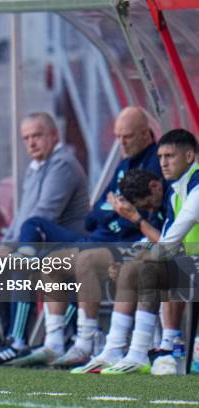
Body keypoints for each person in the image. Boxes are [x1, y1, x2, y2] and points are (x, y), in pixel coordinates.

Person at [12, 106, 165, 367]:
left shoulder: (154, 163)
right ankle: (54, 343)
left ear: (144, 133)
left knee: (85, 261)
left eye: (126, 137)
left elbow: (135, 215)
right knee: (51, 262)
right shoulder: (124, 163)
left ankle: (86, 342)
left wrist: (117, 214)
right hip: (99, 238)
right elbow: (93, 216)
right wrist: (113, 213)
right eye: (117, 137)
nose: (121, 143)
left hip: (124, 243)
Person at [75, 129, 197, 375]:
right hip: (190, 261)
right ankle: (117, 349)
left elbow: (170, 241)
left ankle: (155, 350)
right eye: (161, 156)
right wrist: (136, 256)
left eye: (170, 156)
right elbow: (165, 239)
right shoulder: (176, 189)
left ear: (190, 156)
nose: (163, 163)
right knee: (143, 265)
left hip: (190, 262)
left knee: (156, 265)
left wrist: (140, 249)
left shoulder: (196, 185)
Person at [0, 112, 89, 365]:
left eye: (37, 136)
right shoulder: (36, 168)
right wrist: (3, 248)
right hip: (42, 243)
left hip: (67, 245)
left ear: (54, 135)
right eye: (26, 138)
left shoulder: (62, 163)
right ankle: (11, 338)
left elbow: (45, 215)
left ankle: (18, 339)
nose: (31, 143)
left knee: (22, 263)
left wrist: (12, 249)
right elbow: (23, 216)